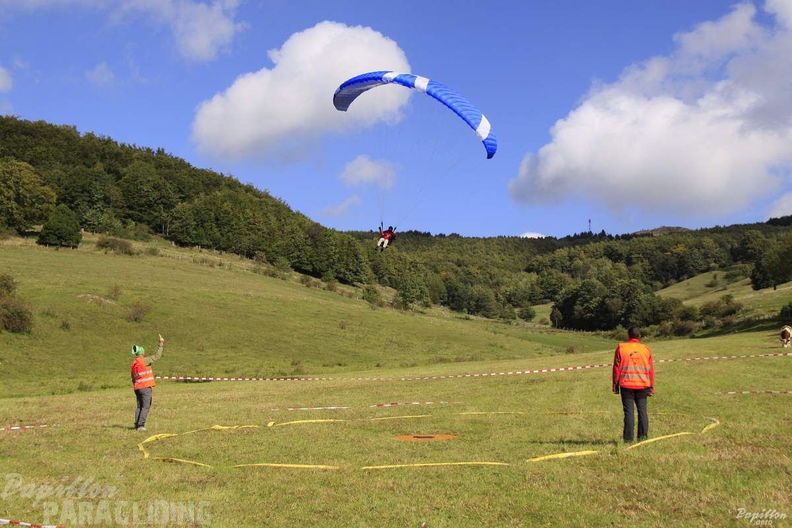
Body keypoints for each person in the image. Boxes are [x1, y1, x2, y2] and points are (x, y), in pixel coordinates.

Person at [612, 327, 654, 443]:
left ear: (628, 335)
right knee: (642, 411)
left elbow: (616, 368)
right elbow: (651, 370)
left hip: (626, 384)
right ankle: (643, 438)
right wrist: (651, 387)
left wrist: (615, 385)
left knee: (629, 412)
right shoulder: (646, 349)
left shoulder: (621, 347)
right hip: (643, 385)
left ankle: (628, 439)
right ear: (639, 336)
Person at [131, 333, 164, 431]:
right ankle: (141, 426)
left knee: (139, 407)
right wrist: (161, 343)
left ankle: (137, 424)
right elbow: (157, 356)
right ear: (142, 353)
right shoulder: (144, 360)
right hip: (145, 388)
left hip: (137, 388)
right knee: (145, 407)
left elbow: (133, 377)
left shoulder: (134, 364)